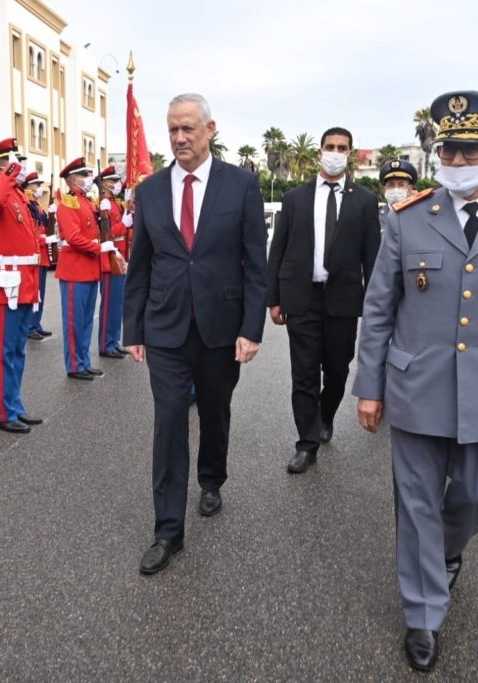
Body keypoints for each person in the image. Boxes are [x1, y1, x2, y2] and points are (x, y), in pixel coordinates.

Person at [352, 91, 478, 672]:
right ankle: (423, 613)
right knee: (416, 503)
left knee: (476, 494)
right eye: (448, 148)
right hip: (415, 387)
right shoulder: (408, 216)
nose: (456, 158)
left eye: (469, 150)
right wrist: (368, 388)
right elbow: (379, 309)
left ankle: (443, 552)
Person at [124, 93, 266, 574]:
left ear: (210, 129)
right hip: (164, 328)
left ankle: (212, 478)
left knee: (214, 409)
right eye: (173, 130)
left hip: (221, 328)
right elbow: (139, 265)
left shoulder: (241, 185)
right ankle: (168, 530)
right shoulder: (150, 190)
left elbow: (254, 263)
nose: (180, 138)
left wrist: (251, 328)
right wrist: (133, 329)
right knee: (168, 423)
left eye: (188, 129)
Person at [267, 127, 380, 474]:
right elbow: (278, 249)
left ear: (349, 153)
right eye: (330, 146)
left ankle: (325, 414)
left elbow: (371, 256)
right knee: (303, 374)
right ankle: (307, 442)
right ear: (319, 151)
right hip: (302, 298)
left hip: (343, 301)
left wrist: (376, 304)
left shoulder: (363, 200)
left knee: (336, 369)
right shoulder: (295, 198)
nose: (335, 152)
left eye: (342, 148)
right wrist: (273, 298)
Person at [0, 139, 42, 433]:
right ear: (4, 169)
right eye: (17, 163)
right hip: (6, 284)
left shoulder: (16, 194)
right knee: (3, 350)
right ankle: (2, 412)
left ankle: (14, 404)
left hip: (24, 280)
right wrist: (8, 173)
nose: (23, 168)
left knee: (17, 349)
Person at [55, 157, 114, 380]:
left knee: (87, 319)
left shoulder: (88, 201)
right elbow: (74, 237)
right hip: (75, 269)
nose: (90, 179)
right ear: (73, 179)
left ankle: (84, 361)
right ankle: (74, 365)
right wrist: (99, 247)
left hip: (90, 268)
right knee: (74, 320)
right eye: (85, 175)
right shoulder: (69, 202)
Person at [97, 165, 130, 359]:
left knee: (117, 304)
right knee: (109, 304)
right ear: (106, 183)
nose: (118, 184)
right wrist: (122, 225)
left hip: (120, 257)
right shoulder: (104, 205)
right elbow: (106, 234)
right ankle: (105, 344)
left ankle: (114, 341)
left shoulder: (115, 204)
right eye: (115, 181)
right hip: (110, 258)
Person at [23, 172, 55, 341]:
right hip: (34, 254)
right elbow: (29, 233)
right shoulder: (27, 206)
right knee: (33, 293)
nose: (38, 188)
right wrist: (44, 239)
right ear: (27, 187)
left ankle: (37, 323)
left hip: (42, 256)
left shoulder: (37, 206)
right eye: (35, 185)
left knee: (40, 293)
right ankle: (29, 325)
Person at [378, 159, 419, 227]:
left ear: (410, 189)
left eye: (401, 185)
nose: (396, 189)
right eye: (391, 185)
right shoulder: (375, 217)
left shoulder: (419, 215)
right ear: (384, 189)